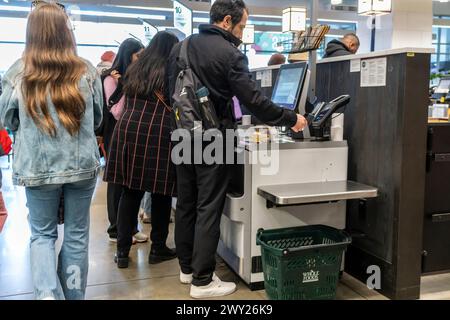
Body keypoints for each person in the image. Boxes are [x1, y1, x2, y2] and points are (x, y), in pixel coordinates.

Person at [168, 0, 307, 299]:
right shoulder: (230, 54)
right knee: (209, 207)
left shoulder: (181, 47)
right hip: (214, 138)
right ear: (228, 21)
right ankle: (203, 282)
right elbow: (254, 100)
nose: (243, 33)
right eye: (242, 26)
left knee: (187, 203)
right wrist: (290, 118)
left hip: (182, 135)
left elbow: (173, 92)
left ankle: (187, 269)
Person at [0, 3, 103, 300]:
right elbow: (97, 119)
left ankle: (46, 295)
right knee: (76, 235)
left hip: (37, 166)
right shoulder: (86, 70)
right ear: (66, 31)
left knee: (42, 235)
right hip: (82, 164)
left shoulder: (18, 73)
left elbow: (8, 120)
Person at [105, 31, 179, 269]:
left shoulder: (135, 69)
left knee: (130, 192)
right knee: (161, 193)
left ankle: (122, 251)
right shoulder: (170, 70)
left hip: (128, 131)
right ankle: (158, 248)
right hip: (158, 133)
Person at [100, 38, 148, 244]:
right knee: (117, 182)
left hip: (133, 134)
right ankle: (115, 229)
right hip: (115, 135)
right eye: (138, 55)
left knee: (133, 181)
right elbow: (118, 112)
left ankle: (130, 228)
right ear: (128, 55)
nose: (141, 60)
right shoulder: (111, 79)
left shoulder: (134, 77)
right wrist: (126, 87)